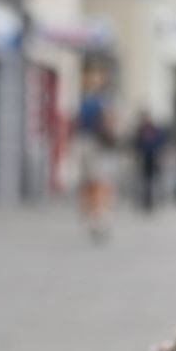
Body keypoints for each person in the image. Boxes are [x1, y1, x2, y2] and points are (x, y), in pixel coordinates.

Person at [72, 71, 118, 240]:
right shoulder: (90, 101)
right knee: (91, 182)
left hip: (97, 145)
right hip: (90, 144)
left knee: (99, 181)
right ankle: (94, 215)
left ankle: (99, 215)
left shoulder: (101, 102)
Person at [132, 112, 168, 213]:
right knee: (145, 181)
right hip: (144, 159)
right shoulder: (140, 131)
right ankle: (146, 200)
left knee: (154, 180)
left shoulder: (155, 130)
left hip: (154, 158)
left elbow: (161, 142)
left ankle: (155, 200)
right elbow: (136, 144)